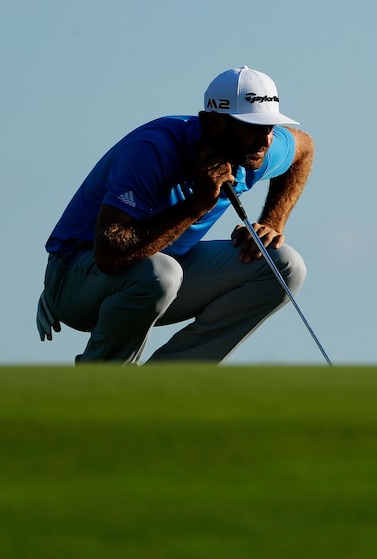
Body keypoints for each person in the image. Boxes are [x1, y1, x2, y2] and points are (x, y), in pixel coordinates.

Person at [35, 66, 315, 364]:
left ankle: (163, 386)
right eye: (253, 128)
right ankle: (101, 386)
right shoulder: (152, 149)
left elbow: (304, 147)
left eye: (270, 128)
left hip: (159, 274)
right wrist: (197, 204)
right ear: (216, 122)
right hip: (77, 277)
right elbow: (109, 255)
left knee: (284, 265)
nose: (266, 141)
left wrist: (273, 221)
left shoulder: (255, 153)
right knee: (161, 273)